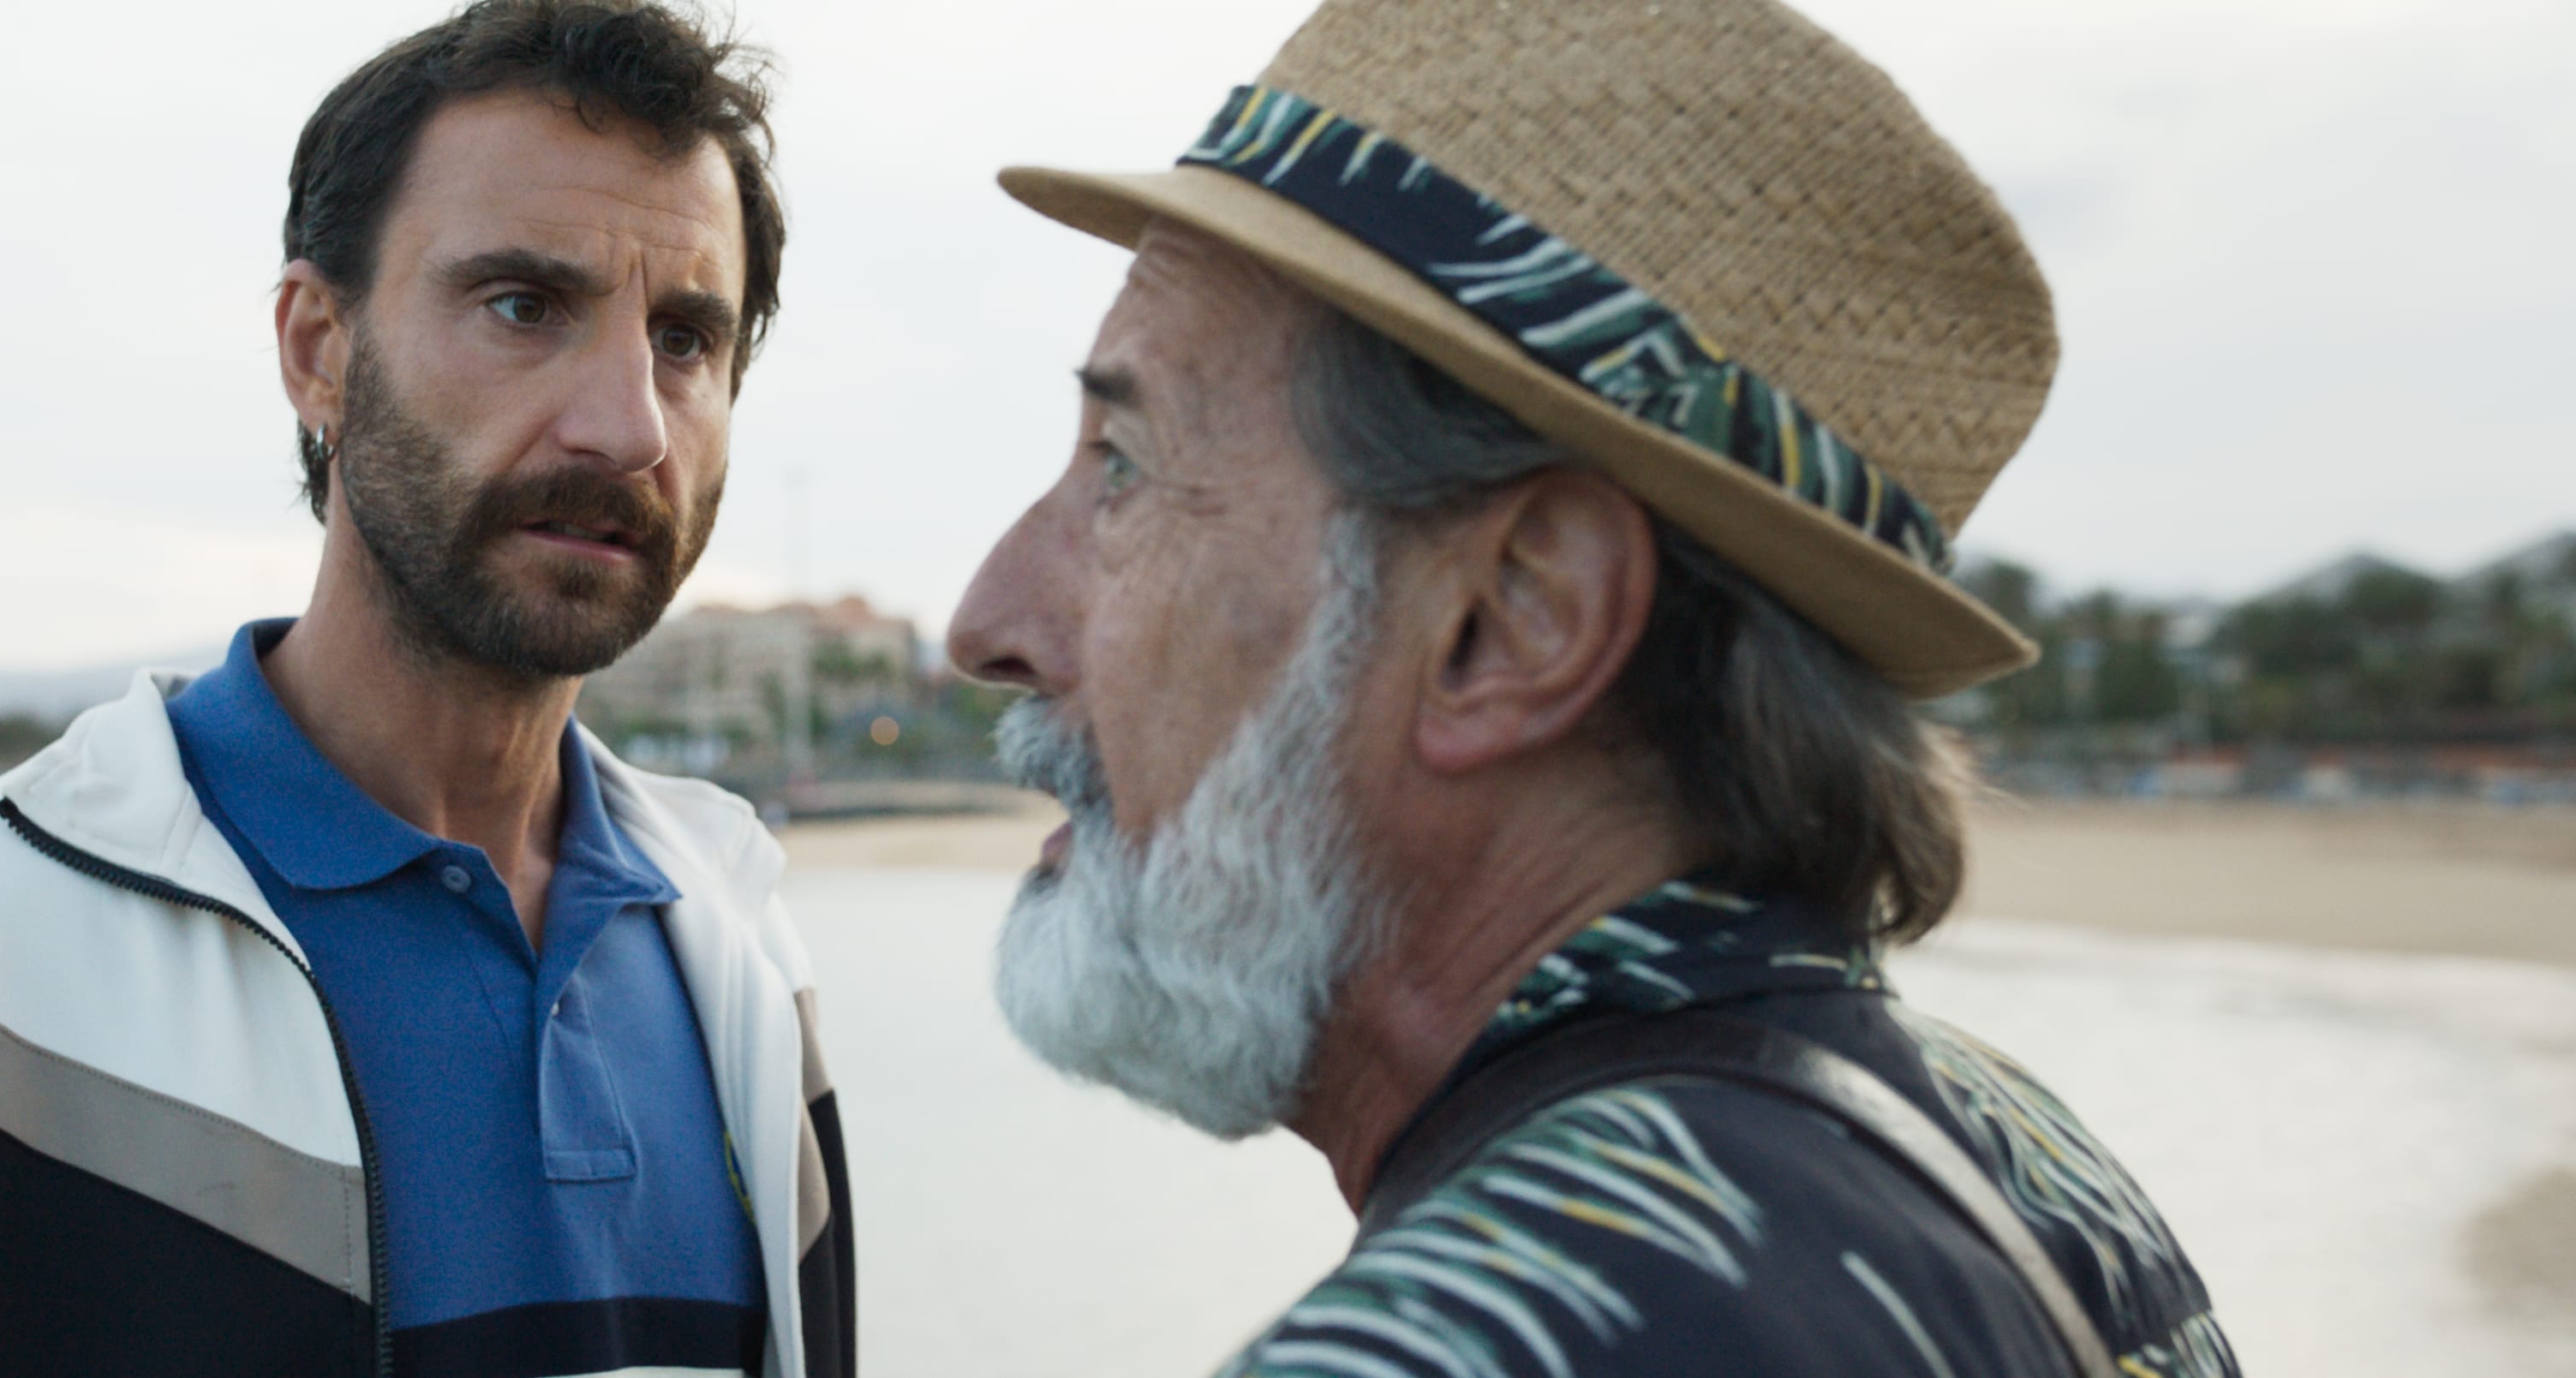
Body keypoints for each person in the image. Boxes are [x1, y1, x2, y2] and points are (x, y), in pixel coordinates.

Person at [946, 0, 2237, 1374]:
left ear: (1513, 618)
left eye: (1124, 468)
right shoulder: (2030, 1172)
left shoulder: (1450, 1350)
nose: (991, 620)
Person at [0, 4, 852, 1375]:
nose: (628, 423)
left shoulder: (741, 958)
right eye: (523, 306)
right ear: (317, 349)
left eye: (685, 339)